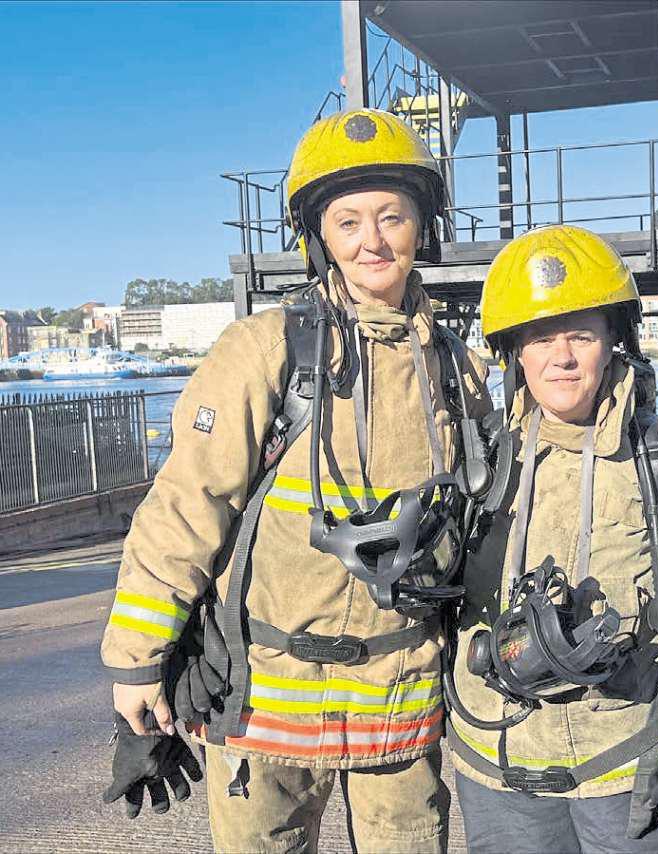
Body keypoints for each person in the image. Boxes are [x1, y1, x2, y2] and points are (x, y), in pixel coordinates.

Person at [100, 108, 491, 853]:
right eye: (348, 223)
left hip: (398, 701)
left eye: (392, 217)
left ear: (423, 229)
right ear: (321, 241)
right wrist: (137, 661)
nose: (372, 240)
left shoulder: (458, 370)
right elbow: (188, 503)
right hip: (266, 704)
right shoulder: (264, 350)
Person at [445, 225, 658, 853]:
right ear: (514, 353)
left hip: (632, 778)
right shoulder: (476, 464)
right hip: (498, 774)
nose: (563, 357)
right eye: (540, 337)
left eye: (582, 333)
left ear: (614, 343)